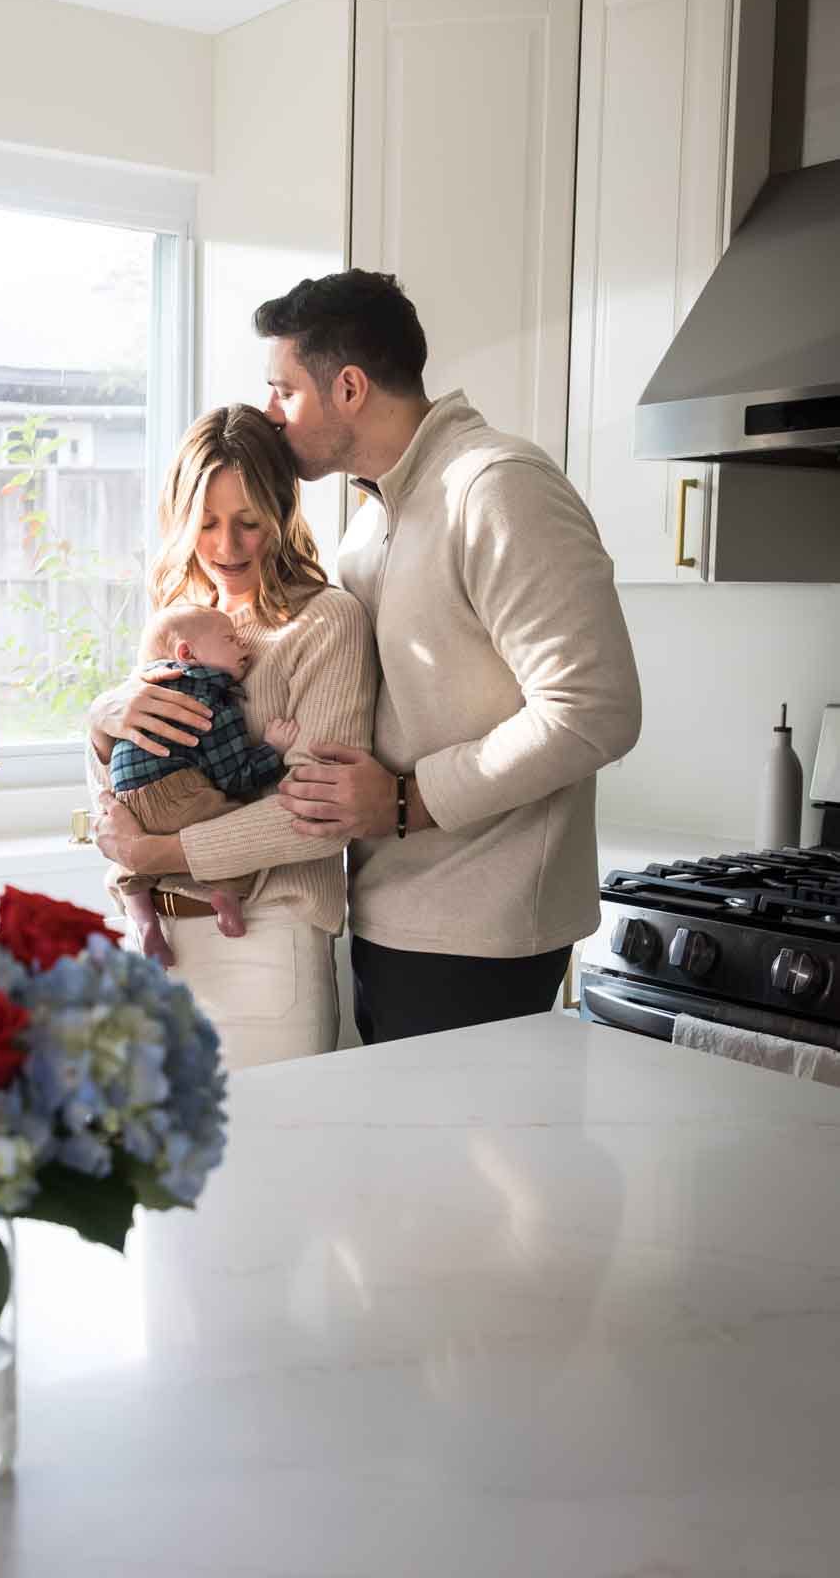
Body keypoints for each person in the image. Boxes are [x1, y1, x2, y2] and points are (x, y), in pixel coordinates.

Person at [254, 267, 642, 1044]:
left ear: (351, 388)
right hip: (390, 910)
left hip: (480, 928)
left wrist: (408, 800)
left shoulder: (495, 488)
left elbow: (595, 711)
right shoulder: (375, 516)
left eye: (284, 390)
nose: (271, 413)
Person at [88, 404, 378, 1072]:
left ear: (282, 510)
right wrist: (100, 722)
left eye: (248, 521)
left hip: (263, 944)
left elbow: (321, 816)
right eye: (207, 524)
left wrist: (158, 847)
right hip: (156, 939)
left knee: (270, 1165)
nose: (227, 546)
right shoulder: (176, 624)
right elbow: (123, 791)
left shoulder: (324, 621)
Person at [109, 601, 300, 964]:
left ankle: (145, 923)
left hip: (125, 798)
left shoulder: (138, 689)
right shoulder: (211, 697)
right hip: (175, 790)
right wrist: (272, 750)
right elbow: (233, 776)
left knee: (127, 865)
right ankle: (226, 894)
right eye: (231, 639)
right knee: (232, 830)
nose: (244, 647)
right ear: (187, 653)